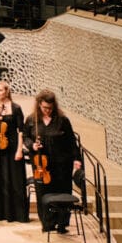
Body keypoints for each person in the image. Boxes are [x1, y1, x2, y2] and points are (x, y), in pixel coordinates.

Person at [30, 90, 82, 233]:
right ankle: (47, 223)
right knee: (43, 193)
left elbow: (72, 141)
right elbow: (27, 137)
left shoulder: (62, 120)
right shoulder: (32, 120)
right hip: (41, 165)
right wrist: (32, 145)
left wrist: (77, 158)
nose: (47, 111)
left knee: (62, 191)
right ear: (39, 104)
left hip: (62, 164)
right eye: (44, 108)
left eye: (50, 108)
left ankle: (62, 223)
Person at [0, 81, 29, 222]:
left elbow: (21, 131)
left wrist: (19, 150)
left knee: (15, 178)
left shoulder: (16, 108)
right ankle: (0, 212)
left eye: (0, 90)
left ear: (7, 91)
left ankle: (16, 213)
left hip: (13, 145)